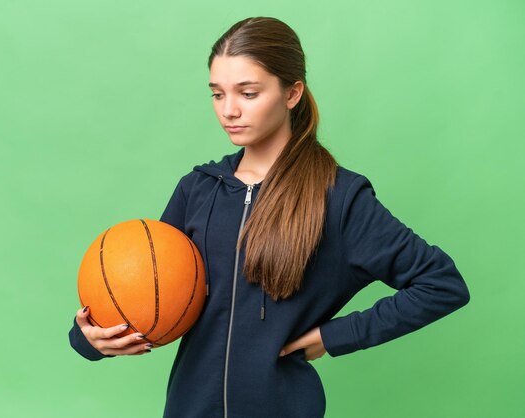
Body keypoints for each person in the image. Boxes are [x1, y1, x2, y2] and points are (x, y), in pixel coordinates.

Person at [68, 16, 470, 418]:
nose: (229, 110)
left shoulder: (339, 197)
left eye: (248, 92)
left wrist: (334, 336)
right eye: (217, 94)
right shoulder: (197, 189)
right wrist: (90, 338)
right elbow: (145, 291)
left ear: (292, 93)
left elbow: (441, 284)